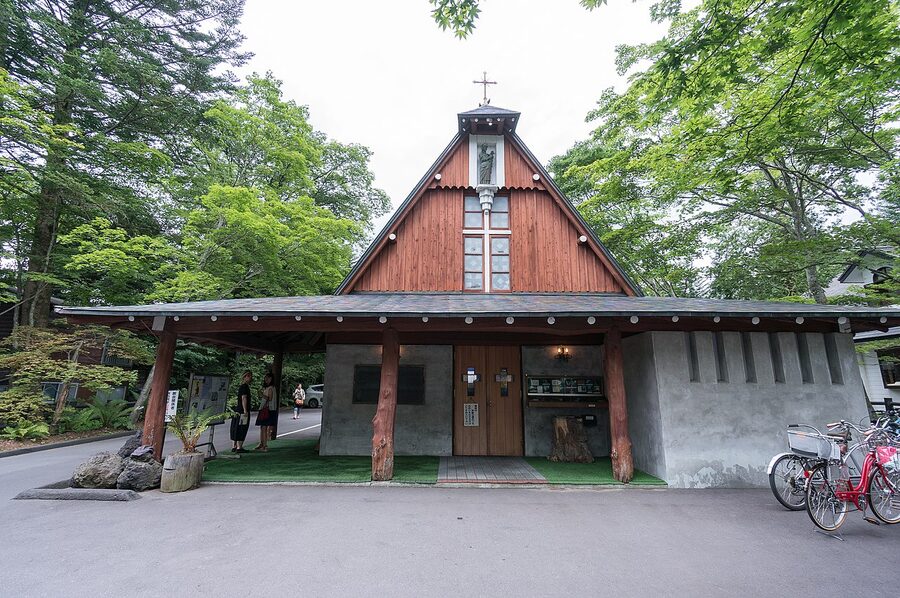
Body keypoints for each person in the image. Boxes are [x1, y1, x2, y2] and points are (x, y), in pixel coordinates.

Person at [254, 372, 277, 451]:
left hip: (267, 409)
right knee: (262, 427)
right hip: (267, 409)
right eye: (266, 378)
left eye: (268, 378)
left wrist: (261, 395)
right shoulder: (270, 388)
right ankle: (262, 443)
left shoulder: (270, 388)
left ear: (271, 379)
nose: (266, 380)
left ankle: (264, 445)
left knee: (264, 427)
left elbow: (269, 398)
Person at [230, 370, 252, 453]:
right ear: (245, 377)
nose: (250, 378)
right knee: (242, 427)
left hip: (238, 410)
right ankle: (239, 447)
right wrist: (245, 410)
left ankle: (234, 445)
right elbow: (244, 398)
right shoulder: (244, 387)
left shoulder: (241, 386)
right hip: (242, 411)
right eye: (249, 376)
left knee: (235, 426)